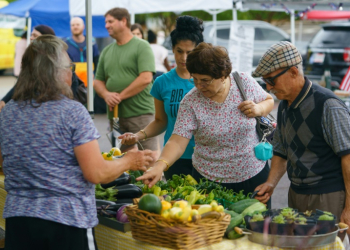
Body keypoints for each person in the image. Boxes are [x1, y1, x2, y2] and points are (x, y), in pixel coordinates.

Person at [0, 35, 155, 249]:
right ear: (55, 71)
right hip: (66, 223)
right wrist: (129, 161)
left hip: (19, 222)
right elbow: (96, 173)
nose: (70, 72)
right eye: (68, 66)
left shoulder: (8, 112)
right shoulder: (72, 112)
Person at [138, 43, 274, 199]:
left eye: (205, 80)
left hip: (253, 175)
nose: (199, 86)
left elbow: (268, 100)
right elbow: (177, 141)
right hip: (209, 183)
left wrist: (259, 109)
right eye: (194, 79)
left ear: (223, 75)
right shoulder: (190, 102)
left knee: (256, 223)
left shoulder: (243, 82)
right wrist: (159, 166)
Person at [253, 41, 350, 236]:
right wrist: (271, 183)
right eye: (265, 82)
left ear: (294, 72)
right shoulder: (284, 107)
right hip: (296, 194)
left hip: (328, 196)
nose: (269, 88)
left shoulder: (328, 105)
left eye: (271, 80)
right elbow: (280, 150)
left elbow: (348, 156)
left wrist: (349, 207)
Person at [119, 16, 204, 180]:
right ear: (172, 48)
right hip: (173, 159)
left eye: (189, 52)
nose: (184, 58)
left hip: (206, 158)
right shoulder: (162, 82)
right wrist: (138, 136)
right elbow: (160, 121)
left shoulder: (207, 81)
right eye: (179, 51)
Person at [94, 8, 157, 151]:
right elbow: (98, 81)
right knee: (122, 159)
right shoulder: (107, 51)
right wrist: (106, 95)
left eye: (110, 21)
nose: (106, 25)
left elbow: (146, 78)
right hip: (116, 116)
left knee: (148, 157)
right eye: (106, 22)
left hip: (140, 113)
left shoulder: (142, 46)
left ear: (123, 21)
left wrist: (119, 97)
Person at [0, 25, 84, 112]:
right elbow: (20, 83)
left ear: (46, 39)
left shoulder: (60, 56)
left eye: (35, 35)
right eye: (31, 35)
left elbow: (73, 80)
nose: (31, 38)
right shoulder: (32, 58)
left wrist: (70, 104)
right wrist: (4, 100)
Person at [64, 17, 105, 114]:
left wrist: (96, 76)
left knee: (88, 106)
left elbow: (97, 60)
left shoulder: (92, 42)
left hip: (90, 80)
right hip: (73, 80)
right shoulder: (66, 43)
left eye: (77, 24)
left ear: (83, 26)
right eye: (73, 25)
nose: (75, 27)